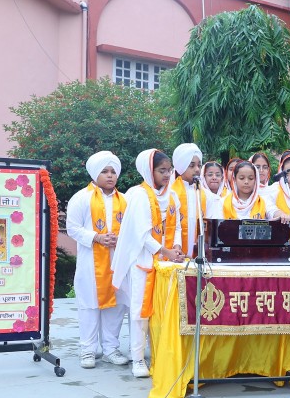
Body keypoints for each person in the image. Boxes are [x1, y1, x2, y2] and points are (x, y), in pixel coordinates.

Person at [111, 149, 184, 378]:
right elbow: (141, 235)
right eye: (162, 170)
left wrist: (177, 248)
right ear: (148, 170)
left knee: (164, 310)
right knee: (140, 312)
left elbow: (178, 226)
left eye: (169, 170)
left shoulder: (172, 195)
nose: (166, 174)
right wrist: (165, 252)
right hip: (143, 262)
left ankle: (158, 353)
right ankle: (138, 358)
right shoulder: (137, 195)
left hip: (167, 263)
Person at [66, 151, 130, 369]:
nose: (110, 176)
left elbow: (133, 228)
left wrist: (119, 239)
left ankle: (111, 348)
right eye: (104, 171)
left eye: (113, 171)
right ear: (95, 173)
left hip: (117, 261)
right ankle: (88, 350)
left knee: (117, 305)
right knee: (89, 306)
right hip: (91, 263)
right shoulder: (81, 198)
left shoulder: (125, 200)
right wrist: (97, 237)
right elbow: (72, 228)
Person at [207, 161, 283, 222]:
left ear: (256, 180)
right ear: (235, 180)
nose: (246, 182)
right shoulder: (222, 202)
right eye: (241, 178)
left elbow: (273, 211)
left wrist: (281, 215)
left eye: (250, 178)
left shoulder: (263, 201)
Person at [171, 143, 205, 258]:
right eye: (192, 165)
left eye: (199, 165)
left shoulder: (204, 193)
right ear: (182, 166)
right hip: (176, 252)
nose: (197, 169)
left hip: (199, 254)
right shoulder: (171, 192)